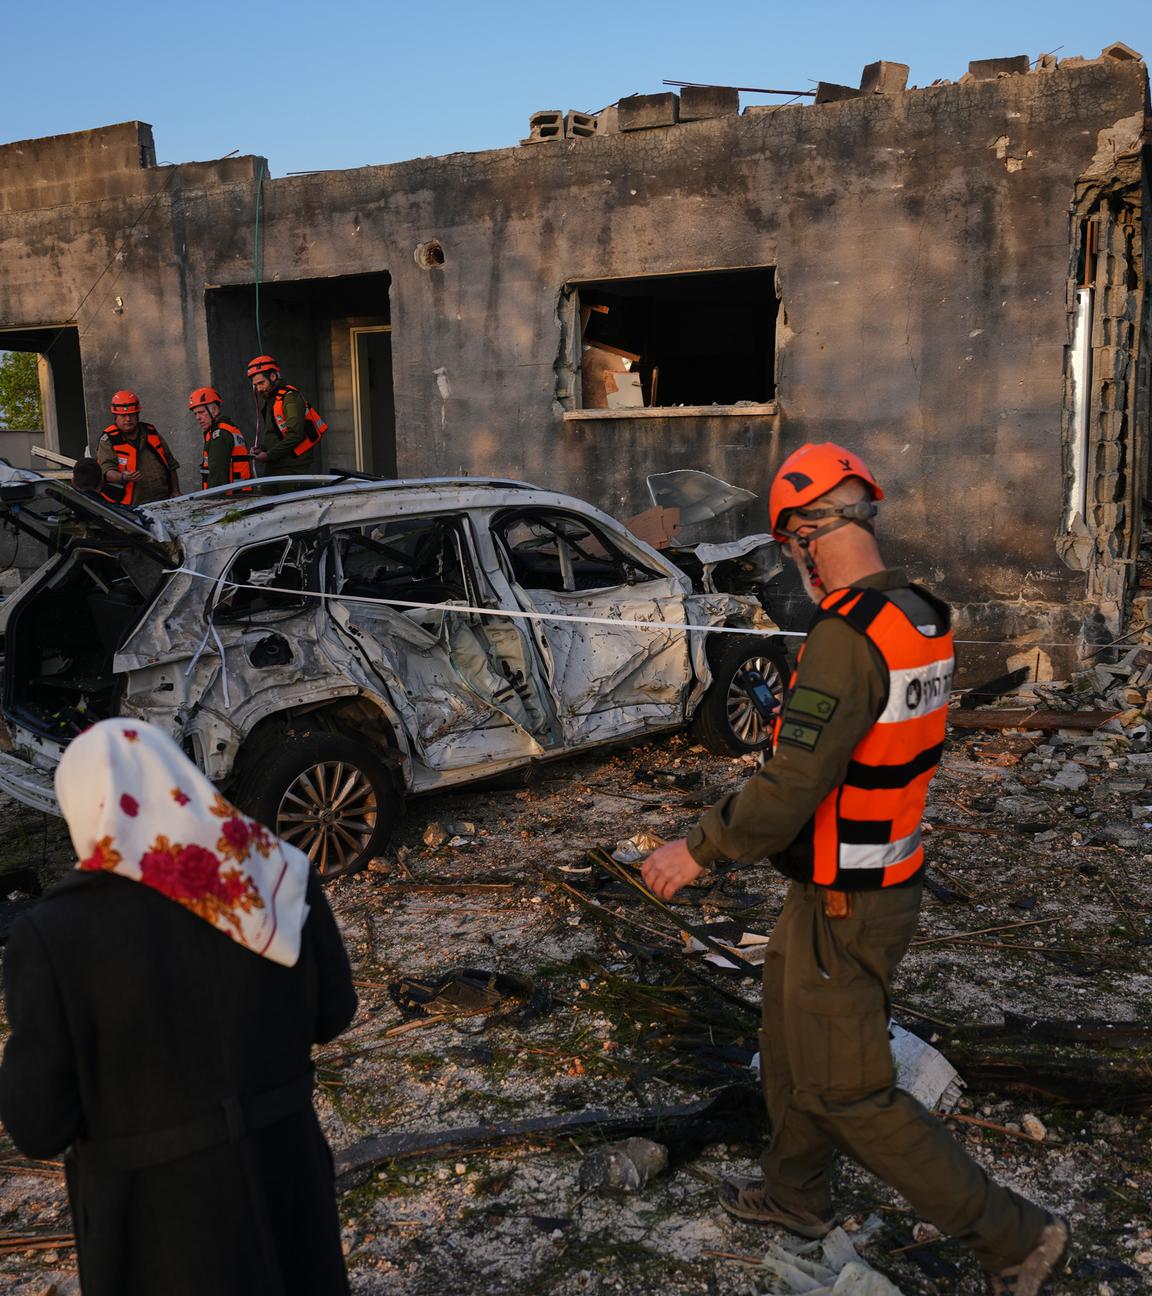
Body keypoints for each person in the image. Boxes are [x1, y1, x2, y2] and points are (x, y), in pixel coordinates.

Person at [642, 443, 1069, 1296]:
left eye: (786, 544)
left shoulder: (846, 637)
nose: (787, 561)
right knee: (789, 1044)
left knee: (847, 1091)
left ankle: (1016, 1238)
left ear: (806, 534)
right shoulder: (919, 611)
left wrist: (698, 847)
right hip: (854, 880)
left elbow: (792, 784)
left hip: (852, 896)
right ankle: (795, 1195)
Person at [0, 718, 356, 1296]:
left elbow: (39, 1127)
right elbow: (333, 1014)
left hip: (152, 1229)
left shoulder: (52, 935)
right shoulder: (275, 875)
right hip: (283, 1187)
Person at [247, 355, 328, 482]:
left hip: (292, 465)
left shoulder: (290, 398)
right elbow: (277, 434)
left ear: (273, 376)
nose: (258, 389)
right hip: (277, 462)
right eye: (255, 385)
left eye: (261, 383)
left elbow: (295, 434)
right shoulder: (271, 400)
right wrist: (262, 448)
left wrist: (269, 455)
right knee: (267, 497)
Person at [96, 390, 181, 505]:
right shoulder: (109, 440)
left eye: (131, 414)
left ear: (137, 415)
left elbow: (171, 465)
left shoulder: (151, 433)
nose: (128, 419)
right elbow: (106, 471)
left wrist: (175, 491)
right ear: (115, 416)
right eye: (123, 415)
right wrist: (122, 477)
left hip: (163, 500)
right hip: (131, 505)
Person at [189, 385, 255, 492]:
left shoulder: (219, 435)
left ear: (214, 410)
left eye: (201, 412)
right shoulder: (230, 428)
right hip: (240, 495)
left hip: (228, 499)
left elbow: (217, 474)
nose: (198, 417)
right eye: (195, 414)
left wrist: (210, 499)